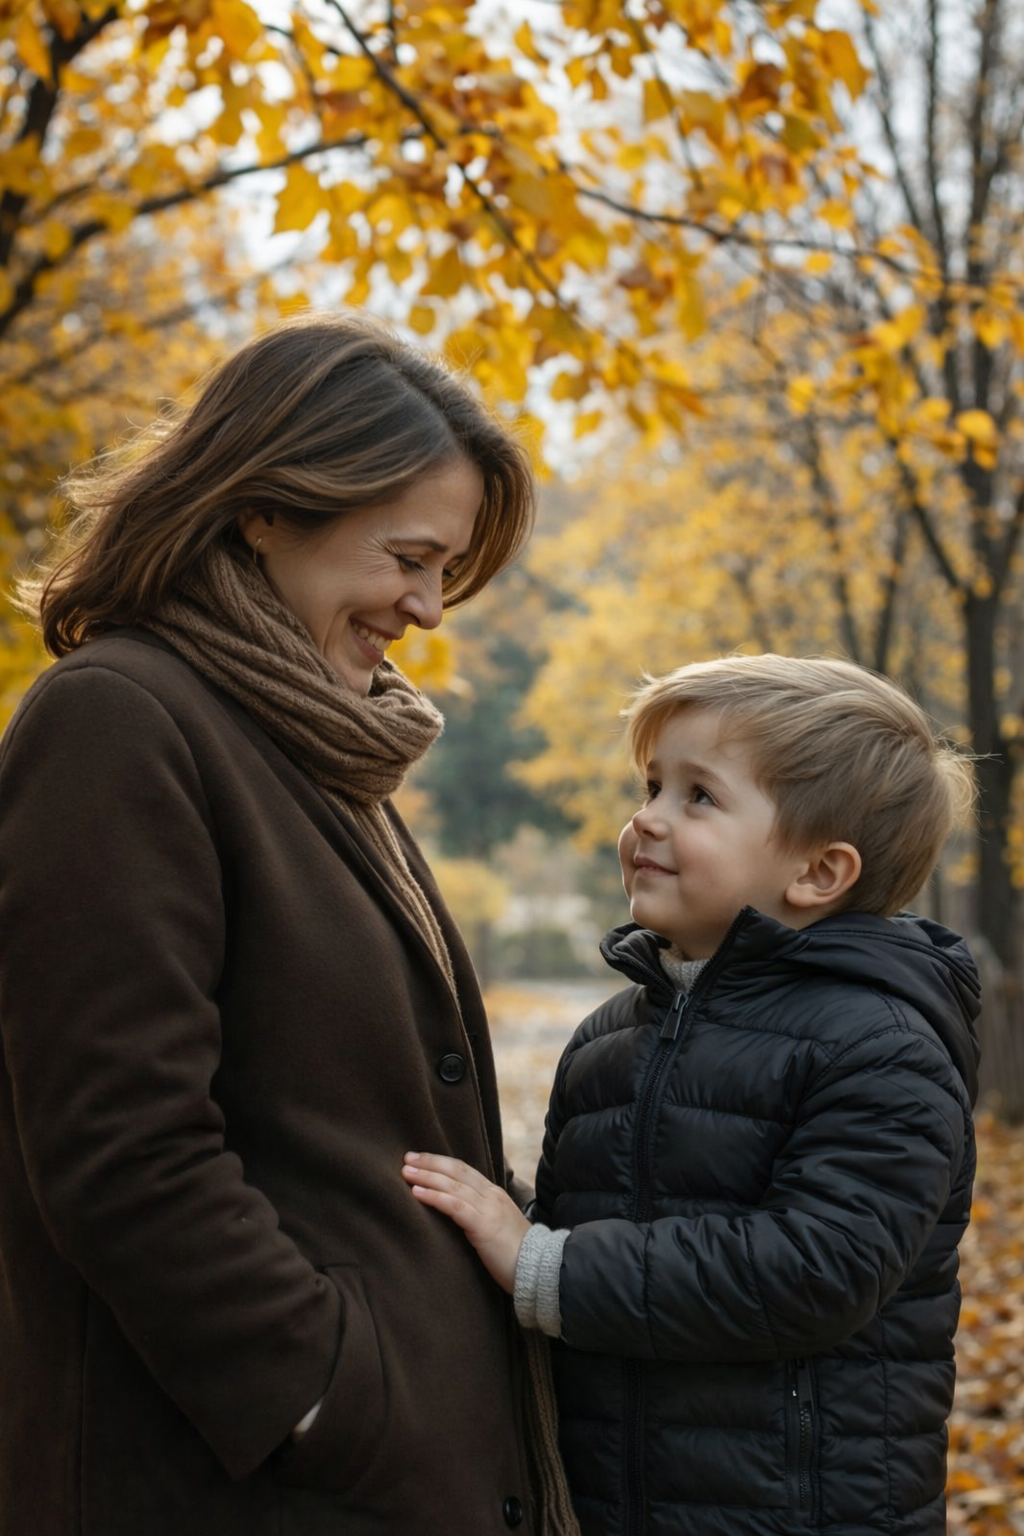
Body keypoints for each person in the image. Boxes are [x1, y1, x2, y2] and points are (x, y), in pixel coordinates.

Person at [0, 312, 579, 1536]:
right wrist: (327, 1396)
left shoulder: (305, 742)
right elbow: (122, 1150)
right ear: (267, 509)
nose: (428, 609)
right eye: (408, 559)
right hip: (242, 1482)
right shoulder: (119, 721)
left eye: (445, 573)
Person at [402, 653, 982, 1536]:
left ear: (819, 873)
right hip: (613, 1500)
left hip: (803, 1511)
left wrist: (540, 1265)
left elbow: (815, 1270)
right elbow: (567, 1230)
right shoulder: (608, 1040)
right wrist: (495, 1223)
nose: (647, 820)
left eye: (698, 797)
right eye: (651, 785)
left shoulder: (882, 1045)